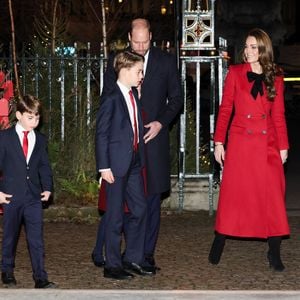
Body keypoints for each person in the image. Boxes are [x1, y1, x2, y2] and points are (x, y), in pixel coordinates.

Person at [100, 18, 182, 270]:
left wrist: (161, 123)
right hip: (125, 143)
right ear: (129, 37)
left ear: (151, 37)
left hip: (153, 141)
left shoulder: (166, 61)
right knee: (121, 203)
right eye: (136, 42)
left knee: (150, 201)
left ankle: (145, 255)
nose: (141, 46)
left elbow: (176, 99)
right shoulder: (117, 61)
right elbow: (107, 98)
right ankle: (119, 254)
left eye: (145, 41)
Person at [208, 28, 290, 271]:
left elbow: (279, 115)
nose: (248, 51)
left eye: (254, 47)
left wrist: (284, 146)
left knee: (273, 199)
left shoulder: (276, 76)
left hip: (268, 146)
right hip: (242, 144)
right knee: (234, 197)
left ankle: (274, 251)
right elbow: (225, 110)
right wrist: (219, 142)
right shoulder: (234, 73)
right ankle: (219, 241)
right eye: (246, 46)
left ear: (263, 49)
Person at [95, 50, 155, 280]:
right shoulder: (111, 98)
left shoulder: (133, 96)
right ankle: (112, 265)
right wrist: (104, 167)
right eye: (139, 71)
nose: (142, 75)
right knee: (114, 216)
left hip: (133, 164)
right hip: (115, 166)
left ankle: (132, 258)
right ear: (126, 70)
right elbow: (101, 134)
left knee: (140, 210)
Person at [0, 95, 56, 288]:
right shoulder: (4, 138)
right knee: (10, 236)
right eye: (30, 117)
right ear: (18, 115)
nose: (35, 121)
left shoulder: (40, 139)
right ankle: (7, 270)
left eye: (37, 117)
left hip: (33, 196)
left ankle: (40, 277)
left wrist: (48, 187)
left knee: (36, 238)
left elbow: (44, 166)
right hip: (11, 196)